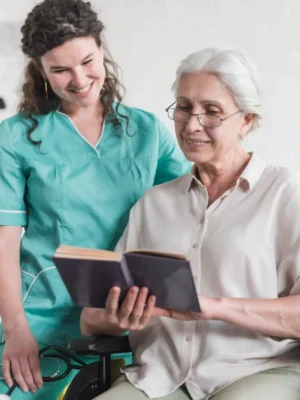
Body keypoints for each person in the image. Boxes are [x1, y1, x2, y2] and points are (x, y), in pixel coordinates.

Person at [81, 48, 300, 400]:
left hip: (257, 370)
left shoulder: (285, 194)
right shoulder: (153, 204)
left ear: (246, 120)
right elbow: (90, 317)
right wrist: (119, 317)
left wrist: (211, 306)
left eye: (212, 112)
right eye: (184, 107)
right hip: (159, 378)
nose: (192, 124)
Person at [0, 0, 190, 397]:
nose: (80, 79)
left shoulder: (146, 130)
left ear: (102, 49)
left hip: (124, 317)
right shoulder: (16, 137)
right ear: (40, 70)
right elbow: (4, 239)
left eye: (87, 61)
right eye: (60, 69)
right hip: (39, 317)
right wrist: (16, 328)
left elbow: (195, 204)